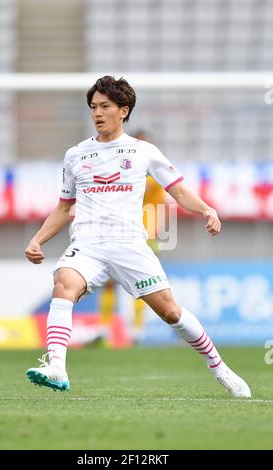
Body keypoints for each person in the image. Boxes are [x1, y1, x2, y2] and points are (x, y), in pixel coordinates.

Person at [25, 75, 251, 398]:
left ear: (124, 110)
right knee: (63, 283)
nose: (97, 113)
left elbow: (179, 191)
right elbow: (63, 208)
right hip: (87, 246)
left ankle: (220, 368)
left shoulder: (143, 151)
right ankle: (57, 367)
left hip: (130, 245)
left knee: (172, 312)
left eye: (105, 106)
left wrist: (206, 210)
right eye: (93, 107)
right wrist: (37, 240)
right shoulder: (75, 155)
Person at [97, 129, 167, 345]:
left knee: (144, 284)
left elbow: (136, 188)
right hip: (118, 231)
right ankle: (105, 329)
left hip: (146, 234)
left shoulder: (153, 172)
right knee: (108, 282)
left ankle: (137, 331)